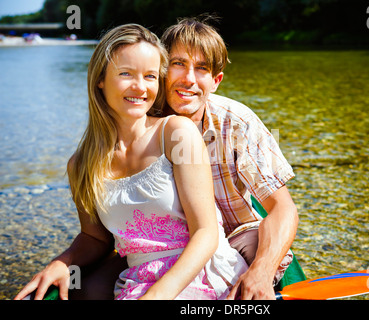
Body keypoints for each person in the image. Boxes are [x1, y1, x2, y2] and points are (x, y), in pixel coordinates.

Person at [14, 23, 248, 300]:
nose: (140, 87)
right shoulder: (80, 164)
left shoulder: (176, 134)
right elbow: (95, 238)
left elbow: (206, 233)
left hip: (202, 273)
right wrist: (62, 262)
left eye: (150, 76)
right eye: (126, 74)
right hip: (137, 282)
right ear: (100, 78)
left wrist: (158, 296)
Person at [158, 16, 299, 300]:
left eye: (201, 69)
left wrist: (261, 270)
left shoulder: (237, 122)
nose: (188, 79)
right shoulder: (142, 123)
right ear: (161, 70)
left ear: (216, 81)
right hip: (167, 247)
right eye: (178, 64)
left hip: (236, 238)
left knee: (257, 241)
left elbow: (282, 208)